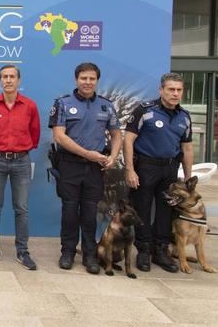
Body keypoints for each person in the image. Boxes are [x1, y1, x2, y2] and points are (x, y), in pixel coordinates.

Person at [48, 62, 122, 274]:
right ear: (76, 80)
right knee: (70, 211)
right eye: (83, 78)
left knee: (90, 213)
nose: (87, 82)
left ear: (97, 81)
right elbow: (59, 136)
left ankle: (90, 254)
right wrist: (87, 154)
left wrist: (114, 156)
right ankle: (68, 252)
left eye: (92, 79)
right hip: (69, 165)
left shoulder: (106, 105)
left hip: (95, 169)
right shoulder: (63, 103)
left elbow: (117, 134)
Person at [123, 72, 192, 273]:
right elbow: (128, 140)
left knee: (165, 211)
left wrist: (187, 178)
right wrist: (130, 169)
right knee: (142, 209)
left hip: (170, 168)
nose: (175, 94)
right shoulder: (145, 111)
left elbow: (187, 148)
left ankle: (160, 251)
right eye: (171, 89)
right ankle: (143, 251)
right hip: (145, 167)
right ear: (161, 90)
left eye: (179, 90)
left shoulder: (184, 117)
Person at [0, 65, 40, 270]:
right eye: (4, 77)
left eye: (12, 76)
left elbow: (35, 134)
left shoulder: (30, 106)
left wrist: (19, 150)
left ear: (19, 80)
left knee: (21, 208)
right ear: (0, 81)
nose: (8, 80)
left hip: (21, 161)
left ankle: (23, 251)